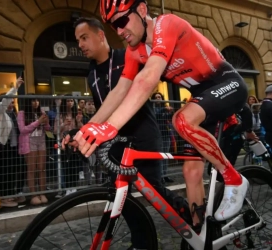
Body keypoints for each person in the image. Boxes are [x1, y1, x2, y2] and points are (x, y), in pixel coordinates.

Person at [72, 0, 249, 232]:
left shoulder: (167, 24)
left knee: (181, 120)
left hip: (228, 83)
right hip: (201, 99)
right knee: (190, 171)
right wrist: (89, 127)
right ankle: (201, 234)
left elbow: (148, 78)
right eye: (114, 26)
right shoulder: (134, 52)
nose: (120, 30)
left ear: (142, 10)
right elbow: (119, 91)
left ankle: (234, 179)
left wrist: (110, 127)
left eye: (123, 21)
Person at [69, 17, 191, 249]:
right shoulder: (91, 73)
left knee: (154, 191)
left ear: (101, 35)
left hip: (143, 134)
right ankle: (142, 243)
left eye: (84, 37)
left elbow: (136, 90)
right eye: (78, 40)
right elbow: (102, 110)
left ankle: (188, 214)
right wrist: (84, 132)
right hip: (115, 142)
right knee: (119, 196)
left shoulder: (126, 56)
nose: (81, 44)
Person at [18, 95, 51, 205]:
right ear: (28, 102)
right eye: (33, 100)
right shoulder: (22, 113)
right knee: (31, 169)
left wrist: (46, 122)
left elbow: (48, 129)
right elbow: (23, 130)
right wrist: (38, 122)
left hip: (41, 140)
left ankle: (42, 193)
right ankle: (33, 195)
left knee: (41, 168)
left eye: (37, 100)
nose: (36, 102)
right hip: (29, 141)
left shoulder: (41, 112)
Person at [0, 77, 25, 207]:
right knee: (4, 172)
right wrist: (15, 88)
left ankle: (10, 194)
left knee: (11, 171)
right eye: (9, 101)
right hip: (3, 146)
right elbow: (5, 101)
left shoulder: (13, 113)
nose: (11, 103)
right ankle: (4, 197)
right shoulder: (1, 111)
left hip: (12, 146)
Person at [151, 92, 174, 183]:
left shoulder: (163, 109)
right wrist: (164, 109)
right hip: (157, 135)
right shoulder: (153, 108)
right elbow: (155, 116)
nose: (158, 99)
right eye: (156, 97)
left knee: (166, 156)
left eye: (159, 97)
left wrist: (171, 113)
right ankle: (159, 176)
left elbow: (168, 118)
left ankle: (165, 175)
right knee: (159, 156)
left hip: (166, 134)